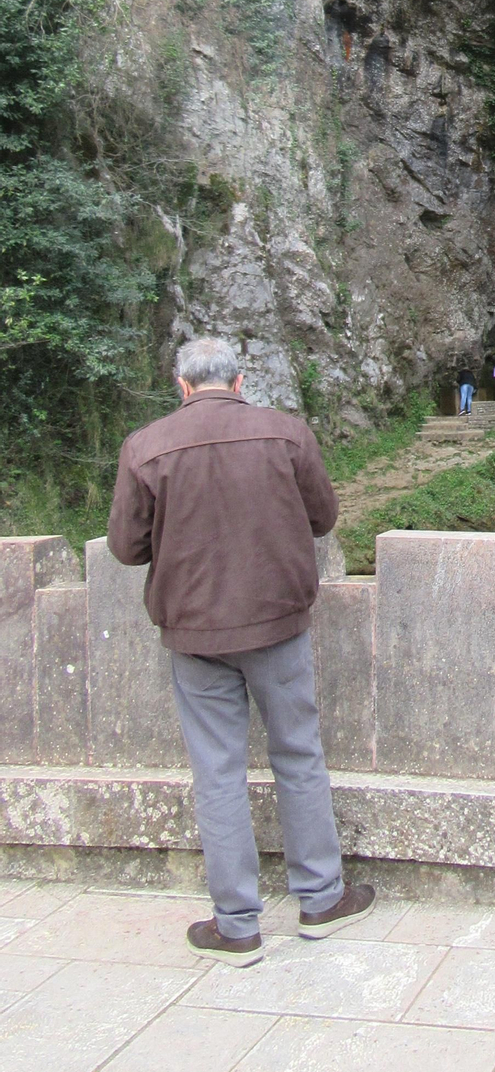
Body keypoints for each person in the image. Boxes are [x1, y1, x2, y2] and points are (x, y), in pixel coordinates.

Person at [107, 336, 375, 967]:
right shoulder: (285, 434)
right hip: (277, 623)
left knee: (218, 774)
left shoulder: (146, 447)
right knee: (299, 755)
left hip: (195, 634)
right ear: (240, 380)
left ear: (181, 384)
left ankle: (237, 927)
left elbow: (125, 547)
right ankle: (320, 900)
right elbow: (323, 517)